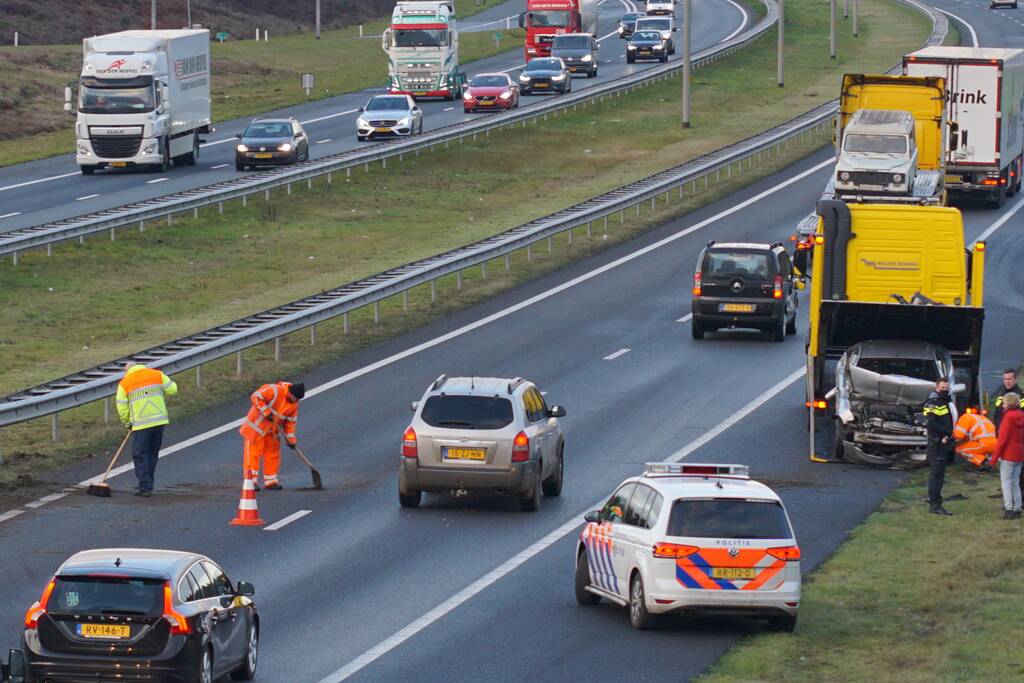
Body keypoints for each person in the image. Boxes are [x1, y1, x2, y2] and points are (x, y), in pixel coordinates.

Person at [115, 363, 178, 497]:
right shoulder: (157, 374)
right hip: (159, 421)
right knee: (152, 453)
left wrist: (128, 423)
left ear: (127, 371)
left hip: (141, 424)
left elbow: (122, 408)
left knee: (139, 454)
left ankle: (145, 486)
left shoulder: (125, 383)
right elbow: (173, 389)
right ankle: (148, 483)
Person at [239, 381, 304, 490]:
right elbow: (256, 396)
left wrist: (291, 440)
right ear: (291, 393)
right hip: (256, 429)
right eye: (296, 398)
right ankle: (251, 481)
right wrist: (266, 412)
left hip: (272, 432)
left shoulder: (294, 405)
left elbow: (290, 423)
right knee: (252, 455)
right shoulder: (274, 390)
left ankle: (271, 481)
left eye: (298, 399)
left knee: (273, 455)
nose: (297, 401)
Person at [923, 378, 957, 516]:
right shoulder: (933, 403)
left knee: (939, 474)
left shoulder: (944, 401)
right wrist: (945, 432)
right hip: (936, 443)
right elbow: (930, 423)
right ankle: (935, 504)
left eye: (947, 388)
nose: (945, 390)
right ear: (937, 387)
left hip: (943, 442)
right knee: (936, 474)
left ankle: (935, 500)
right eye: (943, 388)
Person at [990, 392, 1024, 519]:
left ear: (1008, 404)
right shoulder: (1022, 415)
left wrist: (993, 460)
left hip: (1008, 455)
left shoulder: (1008, 418)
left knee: (1006, 483)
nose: (1003, 405)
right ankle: (1017, 508)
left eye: (1004, 403)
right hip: (1019, 454)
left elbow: (1002, 440)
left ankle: (1009, 509)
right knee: (1015, 482)